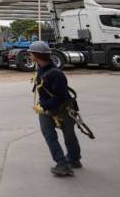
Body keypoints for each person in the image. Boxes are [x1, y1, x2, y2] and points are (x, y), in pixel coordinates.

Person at [29, 41, 82, 177]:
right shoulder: (41, 68)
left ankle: (70, 162)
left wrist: (43, 106)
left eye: (31, 53)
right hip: (46, 107)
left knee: (68, 136)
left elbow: (61, 97)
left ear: (36, 55)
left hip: (62, 109)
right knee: (50, 135)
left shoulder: (56, 74)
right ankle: (65, 161)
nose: (29, 55)